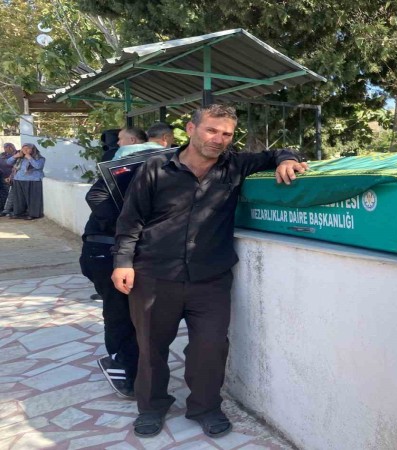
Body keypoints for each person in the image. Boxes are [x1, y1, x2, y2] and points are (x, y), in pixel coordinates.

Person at [111, 104, 308, 439]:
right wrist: (122, 262)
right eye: (211, 130)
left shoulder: (235, 165)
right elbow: (131, 219)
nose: (219, 139)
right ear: (191, 129)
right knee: (151, 346)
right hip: (154, 274)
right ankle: (152, 406)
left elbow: (278, 152)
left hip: (210, 278)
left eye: (226, 134)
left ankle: (205, 407)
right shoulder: (156, 168)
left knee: (211, 346)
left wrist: (287, 160)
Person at [80, 140, 140, 399]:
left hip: (116, 251)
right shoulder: (127, 165)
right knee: (121, 314)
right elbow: (94, 196)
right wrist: (127, 221)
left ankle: (131, 368)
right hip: (104, 251)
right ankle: (123, 369)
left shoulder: (158, 163)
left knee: (132, 315)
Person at [6, 143, 45, 220]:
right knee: (19, 199)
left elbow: (38, 166)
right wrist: (15, 156)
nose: (25, 150)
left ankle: (33, 214)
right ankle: (19, 213)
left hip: (33, 180)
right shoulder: (20, 157)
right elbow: (8, 162)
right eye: (23, 148)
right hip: (18, 179)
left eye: (27, 148)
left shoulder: (40, 158)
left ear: (33, 150)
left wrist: (30, 158)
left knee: (33, 198)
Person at [0, 143, 17, 215]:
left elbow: (15, 166)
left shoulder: (17, 154)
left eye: (6, 147)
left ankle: (11, 209)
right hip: (2, 177)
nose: (5, 149)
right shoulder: (2, 155)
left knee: (11, 194)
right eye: (4, 148)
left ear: (10, 147)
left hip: (12, 177)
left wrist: (10, 176)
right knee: (4, 193)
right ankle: (4, 209)